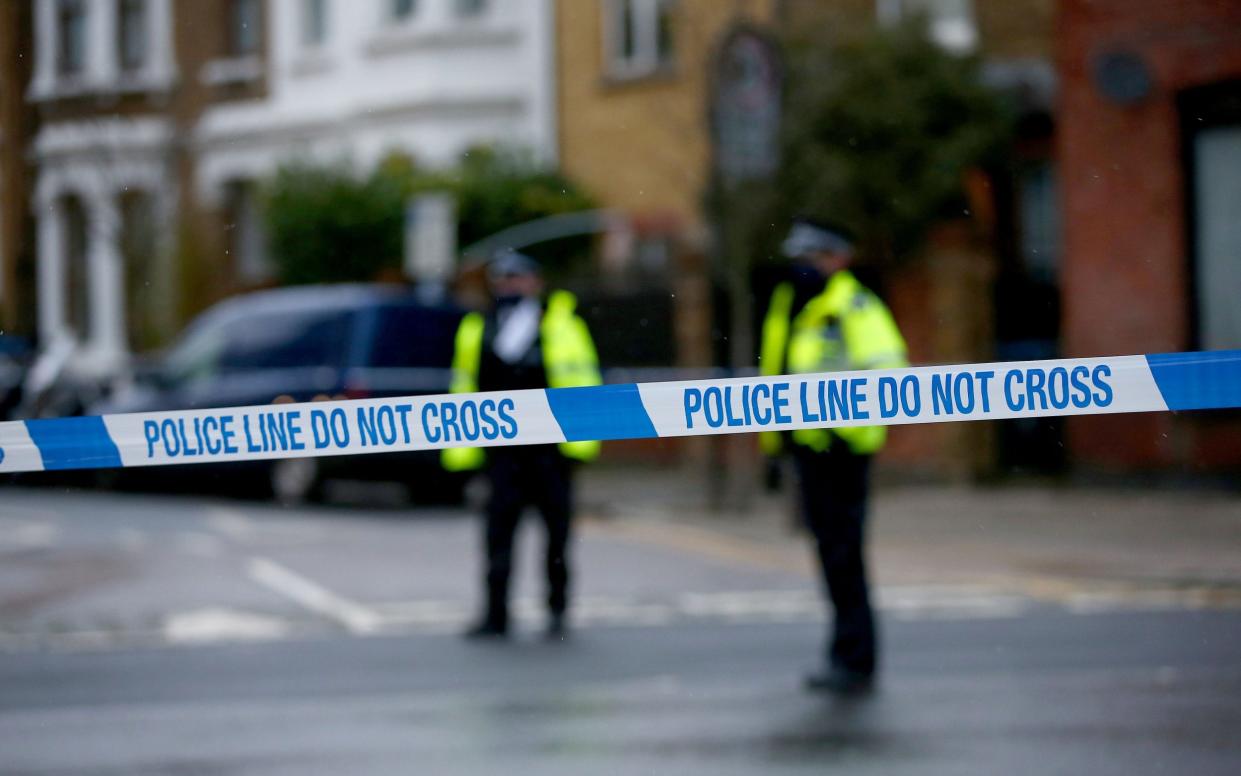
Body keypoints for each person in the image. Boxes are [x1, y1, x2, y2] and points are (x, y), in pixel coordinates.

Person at [759, 217, 908, 694]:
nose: (804, 266)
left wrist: (851, 433)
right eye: (799, 258)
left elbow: (889, 372)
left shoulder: (853, 306)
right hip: (808, 453)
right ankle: (845, 653)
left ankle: (855, 658)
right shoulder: (793, 303)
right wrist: (774, 444)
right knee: (831, 555)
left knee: (845, 556)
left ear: (839, 259)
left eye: (814, 257)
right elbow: (776, 374)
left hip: (843, 455)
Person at [443, 250, 602, 640]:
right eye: (503, 279)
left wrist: (579, 447)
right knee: (497, 538)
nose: (510, 286)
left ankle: (557, 613)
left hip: (550, 451)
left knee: (558, 540)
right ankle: (495, 615)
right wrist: (463, 452)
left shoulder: (562, 324)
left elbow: (583, 383)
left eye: (519, 278)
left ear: (536, 281)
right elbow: (464, 387)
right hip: (501, 454)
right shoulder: (478, 326)